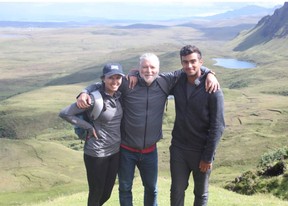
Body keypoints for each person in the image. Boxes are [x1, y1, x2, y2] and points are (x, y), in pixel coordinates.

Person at [76, 53, 219, 206]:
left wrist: (209, 73)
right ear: (138, 69)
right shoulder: (126, 83)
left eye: (152, 67)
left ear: (158, 69)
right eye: (144, 67)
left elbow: (189, 68)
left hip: (150, 151)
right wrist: (84, 92)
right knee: (125, 188)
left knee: (151, 189)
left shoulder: (165, 81)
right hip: (126, 150)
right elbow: (104, 83)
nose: (148, 70)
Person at [59, 63, 125, 206]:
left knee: (106, 193)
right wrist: (87, 126)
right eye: (111, 78)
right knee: (96, 193)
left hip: (114, 152)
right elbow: (64, 113)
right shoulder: (93, 99)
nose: (115, 81)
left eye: (118, 77)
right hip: (96, 153)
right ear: (103, 79)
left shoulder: (118, 94)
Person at [169, 45, 225, 206]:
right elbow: (152, 76)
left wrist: (208, 156)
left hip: (201, 151)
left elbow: (218, 126)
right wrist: (134, 73)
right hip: (179, 149)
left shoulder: (213, 90)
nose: (189, 66)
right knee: (177, 191)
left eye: (193, 61)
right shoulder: (178, 81)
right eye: (185, 62)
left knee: (201, 193)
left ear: (201, 62)